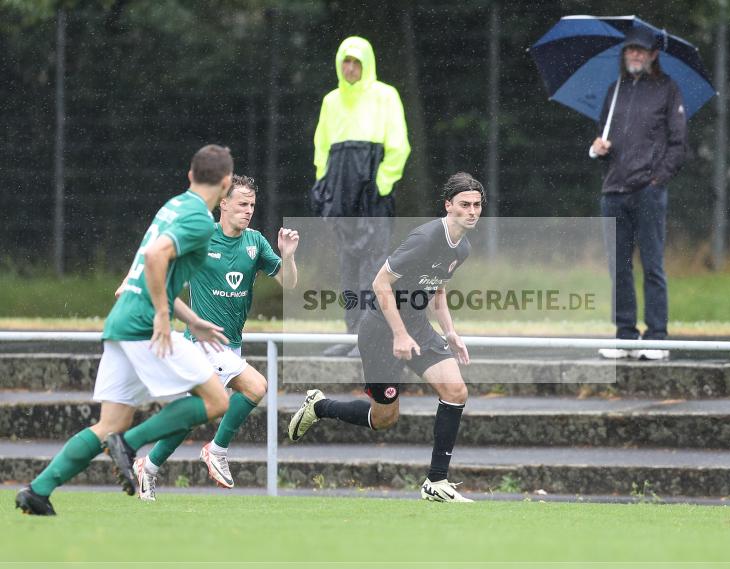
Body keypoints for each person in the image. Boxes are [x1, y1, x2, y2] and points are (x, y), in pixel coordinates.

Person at [16, 145, 235, 516]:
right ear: (227, 183)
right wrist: (164, 316)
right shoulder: (199, 218)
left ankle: (38, 491)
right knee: (217, 401)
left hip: (123, 320)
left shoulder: (174, 205)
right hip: (144, 326)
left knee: (108, 424)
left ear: (190, 175)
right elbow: (154, 259)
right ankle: (129, 446)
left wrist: (191, 319)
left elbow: (157, 272)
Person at [289, 172, 482, 503]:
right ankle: (320, 406)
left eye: (477, 205)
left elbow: (437, 288)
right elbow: (380, 284)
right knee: (384, 419)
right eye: (464, 204)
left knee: (455, 390)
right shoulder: (425, 238)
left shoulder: (461, 247)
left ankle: (436, 482)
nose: (472, 211)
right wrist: (399, 334)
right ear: (448, 206)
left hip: (418, 327)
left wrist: (450, 331)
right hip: (381, 331)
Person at [130, 175, 299, 501]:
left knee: (193, 415)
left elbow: (290, 285)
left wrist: (288, 256)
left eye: (252, 205)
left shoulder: (256, 243)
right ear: (223, 203)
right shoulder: (201, 238)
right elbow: (161, 273)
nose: (248, 210)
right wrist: (160, 314)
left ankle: (147, 467)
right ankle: (217, 450)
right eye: (241, 204)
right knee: (256, 386)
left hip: (231, 345)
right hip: (201, 344)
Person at [591, 26, 687, 361]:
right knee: (618, 267)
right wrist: (596, 149)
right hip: (613, 190)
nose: (634, 55)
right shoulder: (613, 90)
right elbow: (602, 137)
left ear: (653, 55)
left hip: (648, 191)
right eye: (630, 50)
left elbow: (678, 144)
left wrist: (657, 179)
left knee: (652, 265)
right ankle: (625, 336)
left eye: (640, 50)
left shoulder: (667, 90)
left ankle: (657, 336)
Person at [311, 36, 410, 357]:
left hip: (372, 195)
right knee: (348, 265)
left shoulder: (386, 96)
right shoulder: (331, 101)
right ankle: (353, 333)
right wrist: (324, 189)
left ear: (367, 63)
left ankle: (372, 336)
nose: (351, 67)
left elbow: (399, 146)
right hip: (341, 195)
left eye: (357, 61)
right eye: (346, 61)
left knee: (374, 265)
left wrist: (380, 185)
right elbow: (322, 150)